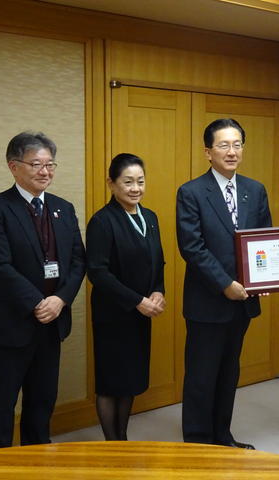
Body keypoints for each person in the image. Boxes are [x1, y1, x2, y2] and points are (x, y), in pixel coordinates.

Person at [0, 131, 85, 449]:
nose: (45, 171)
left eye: (50, 164)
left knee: (42, 402)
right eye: (36, 164)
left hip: (52, 324)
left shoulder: (63, 208)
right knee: (1, 406)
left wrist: (61, 299)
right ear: (14, 166)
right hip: (11, 324)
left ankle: (37, 460)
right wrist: (38, 302)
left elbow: (79, 260)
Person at [176, 118, 272, 449]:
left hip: (243, 299)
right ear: (208, 152)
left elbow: (263, 242)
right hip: (208, 300)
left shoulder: (255, 190)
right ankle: (198, 441)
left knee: (229, 372)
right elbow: (192, 247)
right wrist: (225, 283)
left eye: (237, 144)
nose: (232, 152)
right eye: (223, 145)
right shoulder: (190, 192)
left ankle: (222, 435)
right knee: (202, 376)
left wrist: (266, 277)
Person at [86, 153, 165, 441]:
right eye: (128, 182)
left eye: (140, 181)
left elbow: (158, 262)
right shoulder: (102, 221)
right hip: (113, 314)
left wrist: (158, 291)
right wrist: (137, 301)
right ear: (111, 183)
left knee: (130, 379)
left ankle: (123, 437)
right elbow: (97, 272)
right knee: (110, 382)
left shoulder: (151, 217)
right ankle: (112, 442)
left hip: (141, 315)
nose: (135, 188)